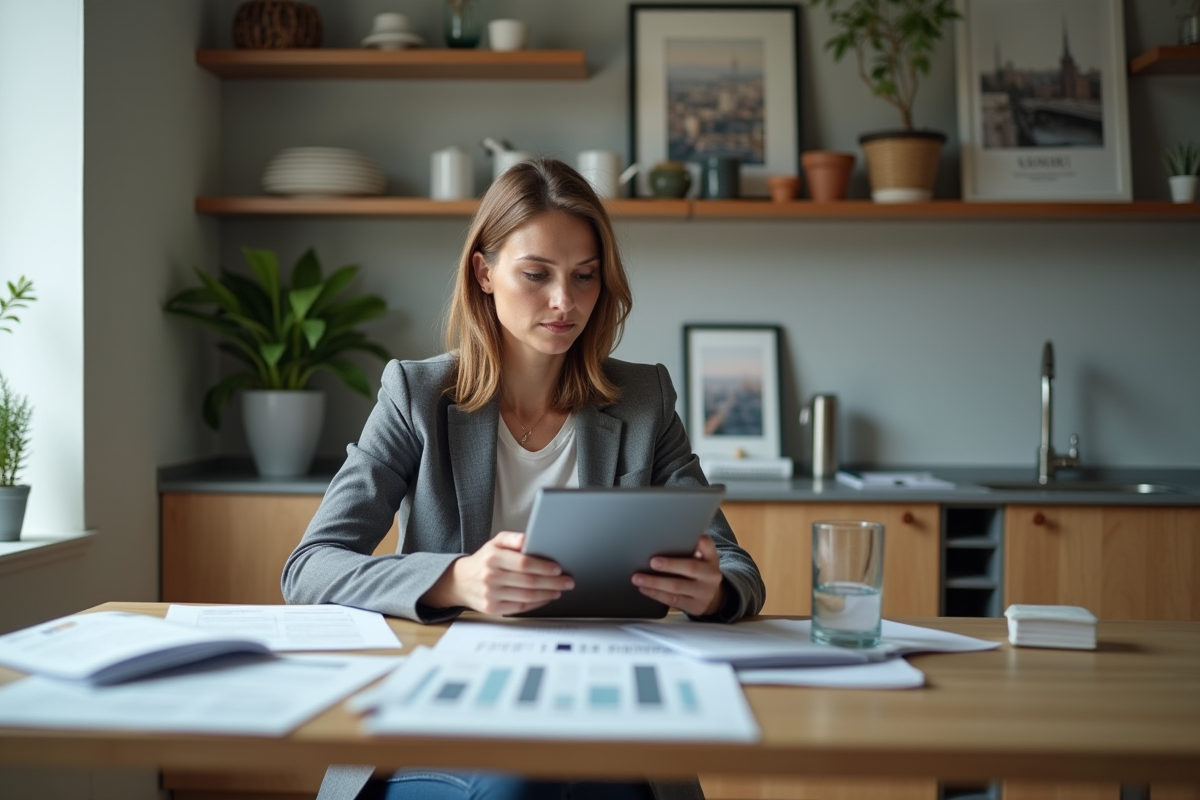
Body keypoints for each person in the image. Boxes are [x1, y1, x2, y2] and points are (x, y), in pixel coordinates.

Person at [282, 158, 766, 800]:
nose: (565, 302)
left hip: (604, 703)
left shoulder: (644, 399)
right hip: (450, 706)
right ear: (484, 272)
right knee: (521, 782)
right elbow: (310, 566)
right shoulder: (417, 395)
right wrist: (457, 579)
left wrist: (711, 592)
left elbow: (737, 567)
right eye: (536, 275)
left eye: (585, 277)